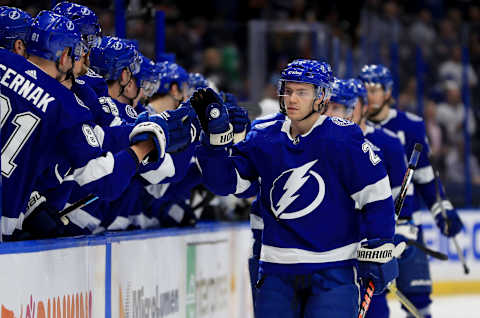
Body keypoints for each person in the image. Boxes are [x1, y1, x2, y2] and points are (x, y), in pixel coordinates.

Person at [192, 59, 401, 317]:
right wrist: (214, 143)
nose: (291, 99)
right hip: (276, 271)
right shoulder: (263, 136)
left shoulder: (343, 138)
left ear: (321, 96)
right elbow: (225, 183)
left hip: (333, 269)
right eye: (288, 90)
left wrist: (381, 243)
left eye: (302, 92)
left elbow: (377, 195)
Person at [0, 11, 169, 240]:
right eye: (79, 54)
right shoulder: (66, 106)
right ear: (64, 56)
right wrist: (144, 147)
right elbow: (106, 182)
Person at [359, 64, 464, 318]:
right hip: (367, 230)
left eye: (375, 89)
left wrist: (441, 209)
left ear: (388, 92)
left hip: (404, 227)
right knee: (371, 303)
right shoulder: (350, 131)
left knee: (418, 301)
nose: (369, 95)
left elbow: (426, 175)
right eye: (365, 90)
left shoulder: (411, 126)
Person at [325, 78, 414, 318]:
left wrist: (396, 231)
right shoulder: (318, 144)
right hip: (330, 248)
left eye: (339, 107)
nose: (331, 114)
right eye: (328, 107)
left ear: (360, 107)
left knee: (374, 310)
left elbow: (399, 197)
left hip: (367, 247)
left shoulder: (388, 143)